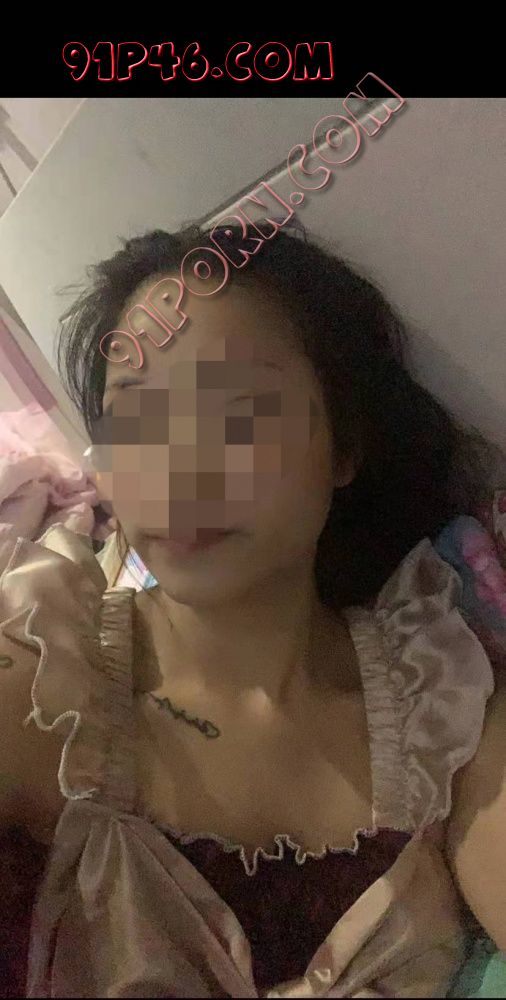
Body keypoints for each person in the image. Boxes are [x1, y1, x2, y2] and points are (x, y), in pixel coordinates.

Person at [1, 221, 505, 998]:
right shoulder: (41, 681)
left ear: (344, 447)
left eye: (236, 411)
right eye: (135, 418)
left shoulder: (448, 707)